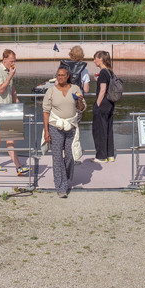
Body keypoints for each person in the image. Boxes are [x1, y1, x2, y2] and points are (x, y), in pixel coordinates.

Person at [42, 65, 85, 197]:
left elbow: (81, 108)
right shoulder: (51, 91)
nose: (60, 77)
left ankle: (64, 177)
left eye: (63, 75)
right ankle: (61, 188)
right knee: (57, 157)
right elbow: (45, 112)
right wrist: (46, 131)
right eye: (58, 75)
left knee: (70, 156)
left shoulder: (75, 89)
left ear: (68, 77)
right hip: (55, 127)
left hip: (71, 126)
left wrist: (80, 101)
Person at [0, 49, 29, 175]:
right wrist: (11, 75)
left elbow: (12, 87)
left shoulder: (8, 71)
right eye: (11, 61)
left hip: (9, 108)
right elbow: (0, 89)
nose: (13, 64)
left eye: (14, 61)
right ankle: (18, 167)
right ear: (4, 59)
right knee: (9, 138)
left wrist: (17, 101)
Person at [59, 45, 91, 160]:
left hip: (63, 100)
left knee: (62, 128)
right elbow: (86, 89)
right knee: (74, 128)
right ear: (81, 57)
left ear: (71, 55)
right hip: (77, 101)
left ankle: (63, 153)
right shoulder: (84, 69)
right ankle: (72, 155)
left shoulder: (64, 67)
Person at [92, 50, 116, 162]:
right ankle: (110, 154)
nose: (94, 61)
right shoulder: (110, 72)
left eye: (95, 58)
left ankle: (101, 157)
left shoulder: (103, 72)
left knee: (99, 130)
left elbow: (102, 91)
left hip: (103, 104)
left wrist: (96, 105)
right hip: (110, 103)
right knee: (108, 129)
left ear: (100, 59)